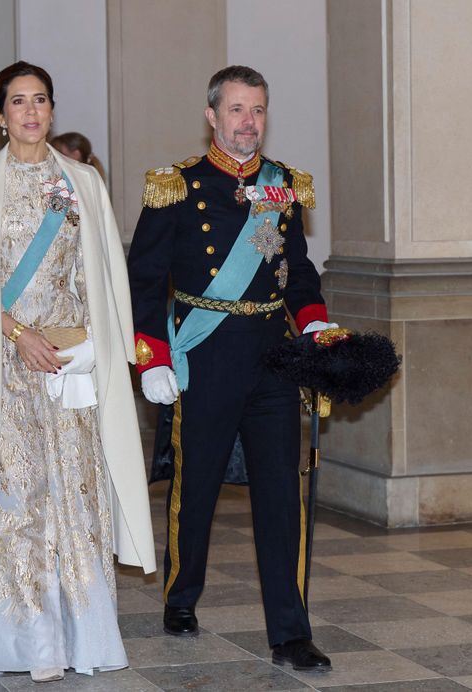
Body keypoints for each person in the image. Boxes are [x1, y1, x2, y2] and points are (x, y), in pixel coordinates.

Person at [0, 61, 156, 682]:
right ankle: (19, 635)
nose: (30, 111)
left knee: (75, 495)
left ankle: (78, 633)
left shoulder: (82, 183)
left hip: (69, 368)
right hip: (4, 367)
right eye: (17, 101)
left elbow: (99, 277)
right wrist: (20, 337)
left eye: (40, 99)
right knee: (11, 496)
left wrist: (97, 345)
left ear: (51, 108)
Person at [126, 65, 335, 671]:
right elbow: (144, 282)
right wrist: (151, 356)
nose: (250, 123)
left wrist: (316, 321)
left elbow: (296, 269)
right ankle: (180, 594)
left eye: (259, 110)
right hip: (206, 354)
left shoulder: (284, 187)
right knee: (197, 490)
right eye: (238, 110)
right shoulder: (176, 186)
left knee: (280, 496)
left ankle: (290, 633)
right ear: (213, 116)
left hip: (272, 358)